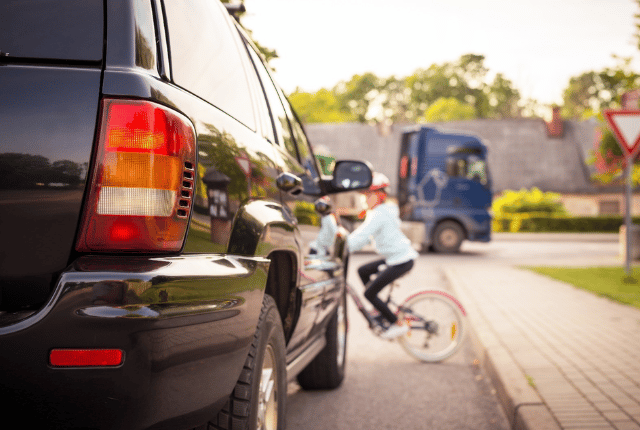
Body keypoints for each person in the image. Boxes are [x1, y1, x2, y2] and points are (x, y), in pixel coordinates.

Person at [347, 172, 419, 339]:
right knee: (362, 271)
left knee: (369, 293)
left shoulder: (379, 214)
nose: (364, 199)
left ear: (379, 196)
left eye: (368, 195)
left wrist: (343, 245)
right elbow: (364, 237)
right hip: (395, 258)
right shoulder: (381, 212)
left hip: (401, 261)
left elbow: (361, 237)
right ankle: (379, 307)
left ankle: (395, 323)